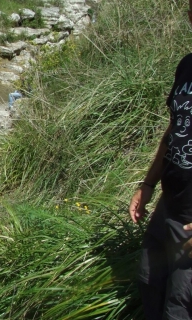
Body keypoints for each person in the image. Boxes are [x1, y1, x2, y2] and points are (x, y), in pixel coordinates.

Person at [129, 5, 192, 317]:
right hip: (170, 203)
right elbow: (173, 131)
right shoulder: (187, 66)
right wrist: (148, 184)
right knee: (148, 281)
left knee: (178, 308)